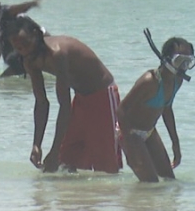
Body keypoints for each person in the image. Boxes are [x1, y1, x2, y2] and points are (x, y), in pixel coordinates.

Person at [8, 15, 121, 174]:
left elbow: (64, 105)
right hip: (81, 98)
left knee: (106, 166)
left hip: (102, 95)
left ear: (36, 34)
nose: (24, 50)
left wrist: (53, 151)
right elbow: (41, 103)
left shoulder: (57, 54)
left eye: (26, 44)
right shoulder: (29, 60)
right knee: (67, 159)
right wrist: (36, 144)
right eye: (18, 48)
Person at [117, 35, 195, 182]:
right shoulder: (150, 81)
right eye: (180, 61)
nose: (183, 67)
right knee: (150, 183)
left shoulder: (177, 81)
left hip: (149, 132)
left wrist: (176, 144)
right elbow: (121, 110)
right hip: (130, 132)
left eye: (188, 62)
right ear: (167, 59)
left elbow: (167, 109)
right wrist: (130, 144)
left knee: (170, 180)